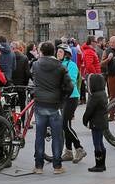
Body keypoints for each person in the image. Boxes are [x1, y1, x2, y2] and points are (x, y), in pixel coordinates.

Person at [32, 41, 73, 173]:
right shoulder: (60, 66)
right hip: (54, 104)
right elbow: (70, 86)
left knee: (39, 135)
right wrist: (63, 98)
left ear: (42, 52)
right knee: (57, 136)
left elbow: (33, 78)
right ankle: (57, 166)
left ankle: (38, 166)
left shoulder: (36, 64)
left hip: (39, 103)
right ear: (53, 52)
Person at [58, 43, 84, 164]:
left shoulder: (72, 65)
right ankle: (68, 151)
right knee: (66, 125)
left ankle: (79, 148)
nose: (58, 53)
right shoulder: (58, 64)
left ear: (67, 54)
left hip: (71, 97)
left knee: (65, 125)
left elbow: (72, 81)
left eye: (60, 52)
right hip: (63, 98)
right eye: (57, 51)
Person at [82, 73, 109, 172]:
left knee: (96, 144)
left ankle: (99, 165)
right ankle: (103, 164)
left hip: (95, 123)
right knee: (101, 142)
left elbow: (89, 110)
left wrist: (84, 120)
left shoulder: (94, 96)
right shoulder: (103, 93)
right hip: (102, 122)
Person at [102, 36, 115, 101]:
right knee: (113, 96)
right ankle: (111, 110)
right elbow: (101, 64)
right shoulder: (106, 51)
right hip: (111, 76)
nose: (112, 44)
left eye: (114, 42)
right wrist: (108, 59)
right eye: (111, 42)